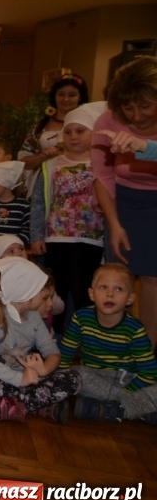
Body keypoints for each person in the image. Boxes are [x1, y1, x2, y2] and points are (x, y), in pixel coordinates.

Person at [92, 56, 157, 348]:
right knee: (120, 276)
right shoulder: (108, 120)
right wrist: (115, 224)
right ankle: (118, 348)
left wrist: (144, 146)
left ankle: (147, 351)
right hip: (124, 201)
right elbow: (102, 176)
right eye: (129, 107)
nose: (137, 115)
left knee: (154, 279)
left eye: (145, 106)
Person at [0, 257, 80, 422]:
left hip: (30, 379)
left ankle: (8, 406)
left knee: (74, 378)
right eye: (42, 294)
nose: (47, 300)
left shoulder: (34, 317)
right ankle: (40, 406)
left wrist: (43, 370)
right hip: (4, 378)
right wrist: (19, 379)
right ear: (26, 293)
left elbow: (52, 352)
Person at [33, 102, 106, 334]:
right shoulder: (51, 166)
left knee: (84, 290)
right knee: (58, 291)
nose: (73, 136)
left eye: (80, 131)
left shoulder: (102, 165)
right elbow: (38, 203)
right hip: (57, 239)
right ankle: (55, 337)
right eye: (68, 131)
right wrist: (36, 235)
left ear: (94, 133)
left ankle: (86, 336)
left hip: (91, 239)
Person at [59, 263, 157, 423]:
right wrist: (62, 377)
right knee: (76, 374)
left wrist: (127, 391)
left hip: (126, 380)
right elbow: (65, 353)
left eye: (119, 289)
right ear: (92, 293)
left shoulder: (135, 328)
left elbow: (149, 372)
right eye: (103, 287)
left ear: (130, 298)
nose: (110, 294)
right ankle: (134, 410)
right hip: (93, 377)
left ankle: (109, 409)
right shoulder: (81, 318)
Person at [18, 73, 89, 172]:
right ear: (54, 96)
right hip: (44, 178)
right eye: (61, 94)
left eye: (72, 95)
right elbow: (23, 161)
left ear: (80, 97)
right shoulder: (40, 126)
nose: (66, 99)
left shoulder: (89, 124)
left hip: (80, 177)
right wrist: (43, 156)